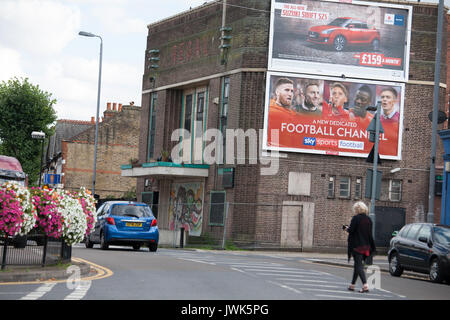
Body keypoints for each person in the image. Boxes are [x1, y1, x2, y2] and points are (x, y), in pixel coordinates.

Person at [344, 201, 376, 293]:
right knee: (357, 265)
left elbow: (351, 230)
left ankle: (365, 285)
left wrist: (346, 228)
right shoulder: (369, 219)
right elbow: (369, 233)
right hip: (366, 246)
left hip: (357, 245)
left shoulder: (356, 218)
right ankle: (352, 285)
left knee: (358, 266)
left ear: (357, 209)